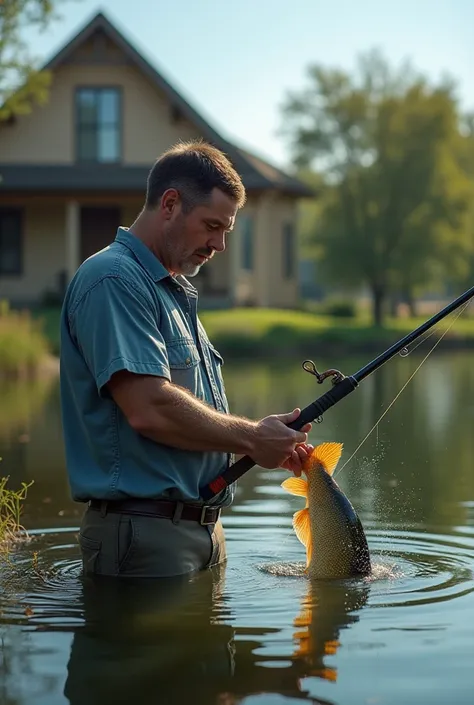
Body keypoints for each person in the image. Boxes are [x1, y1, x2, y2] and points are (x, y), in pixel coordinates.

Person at [59, 139, 313, 579]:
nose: (220, 245)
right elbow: (149, 408)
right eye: (212, 226)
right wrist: (251, 436)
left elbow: (186, 422)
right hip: (144, 536)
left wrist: (261, 442)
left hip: (199, 532)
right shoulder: (113, 279)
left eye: (227, 231)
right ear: (171, 205)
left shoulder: (170, 291)